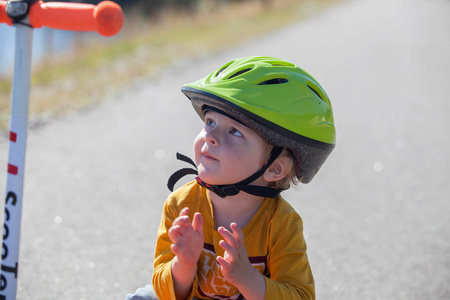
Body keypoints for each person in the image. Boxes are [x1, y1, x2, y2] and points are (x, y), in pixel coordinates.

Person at [125, 56, 336, 300]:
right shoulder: (181, 204)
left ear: (275, 168)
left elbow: (300, 296)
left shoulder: (281, 224)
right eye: (210, 121)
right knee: (144, 297)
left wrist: (248, 278)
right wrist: (183, 264)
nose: (210, 136)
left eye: (234, 131)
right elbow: (166, 290)